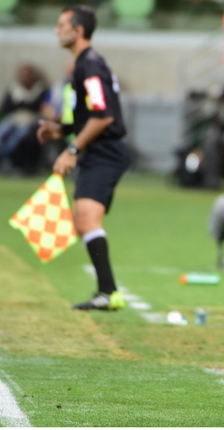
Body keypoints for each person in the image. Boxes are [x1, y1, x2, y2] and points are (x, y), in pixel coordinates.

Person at [37, 5, 129, 311]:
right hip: (99, 149)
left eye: (61, 24)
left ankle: (108, 293)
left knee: (87, 218)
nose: (56, 30)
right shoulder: (86, 63)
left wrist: (72, 149)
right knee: (83, 219)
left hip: (105, 151)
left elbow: (102, 116)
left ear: (78, 31)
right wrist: (60, 129)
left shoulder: (89, 64)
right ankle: (107, 292)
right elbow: (94, 114)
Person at [0, 63, 51, 168]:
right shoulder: (14, 88)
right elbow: (5, 107)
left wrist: (21, 104)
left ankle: (7, 157)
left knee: (17, 138)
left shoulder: (39, 89)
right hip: (14, 118)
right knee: (2, 132)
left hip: (29, 120)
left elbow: (39, 107)